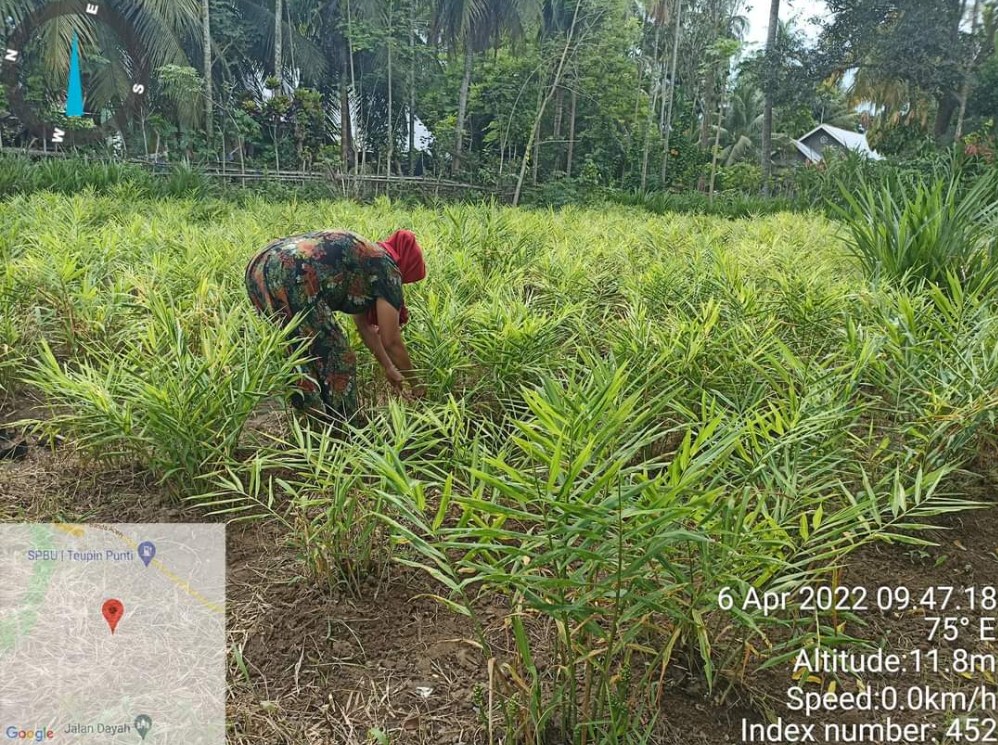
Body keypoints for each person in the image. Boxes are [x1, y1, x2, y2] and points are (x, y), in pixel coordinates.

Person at [245, 228, 426, 423]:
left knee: (300, 354)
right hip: (293, 272)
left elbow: (365, 327)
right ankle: (346, 429)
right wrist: (416, 384)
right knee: (339, 359)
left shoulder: (367, 259)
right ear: (407, 266)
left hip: (260, 267)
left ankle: (314, 425)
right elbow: (391, 341)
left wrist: (389, 367)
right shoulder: (387, 269)